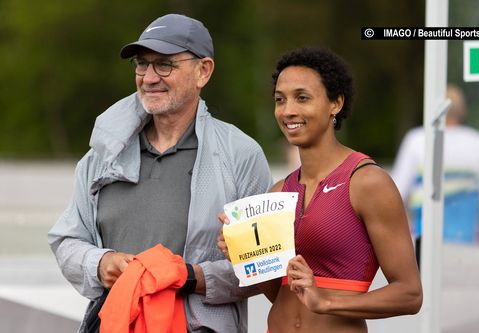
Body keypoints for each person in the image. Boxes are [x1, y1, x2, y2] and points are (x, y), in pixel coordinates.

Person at [48, 13, 273, 333]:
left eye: (164, 64)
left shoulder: (240, 155)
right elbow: (68, 239)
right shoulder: (103, 153)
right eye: (142, 64)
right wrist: (100, 264)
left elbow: (264, 267)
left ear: (203, 71)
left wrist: (190, 276)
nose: (149, 77)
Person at [218, 47, 422, 332]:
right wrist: (243, 254)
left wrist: (327, 303)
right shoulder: (279, 192)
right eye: (280, 100)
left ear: (335, 103)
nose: (288, 111)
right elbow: (279, 294)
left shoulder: (367, 182)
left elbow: (410, 294)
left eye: (302, 98)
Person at [392, 84, 479, 261]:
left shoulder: (417, 139)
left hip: (423, 242)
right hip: (468, 243)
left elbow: (396, 191)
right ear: (463, 110)